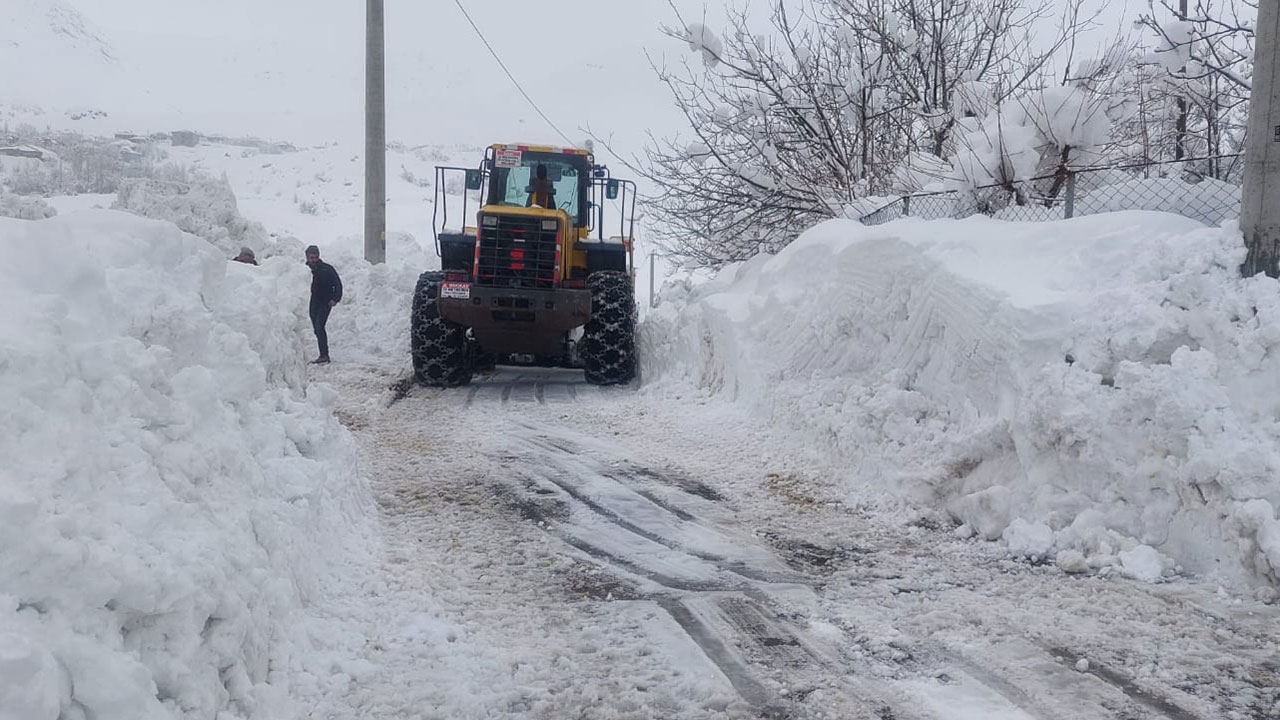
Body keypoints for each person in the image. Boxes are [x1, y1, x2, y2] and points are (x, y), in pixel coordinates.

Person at [305, 245, 342, 364]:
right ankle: (323, 353)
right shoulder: (304, 270)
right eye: (311, 258)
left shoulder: (327, 269)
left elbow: (338, 284)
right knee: (316, 328)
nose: (314, 260)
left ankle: (324, 355)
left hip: (325, 302)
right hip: (313, 301)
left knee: (319, 326)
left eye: (316, 257)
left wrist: (335, 299)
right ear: (307, 257)